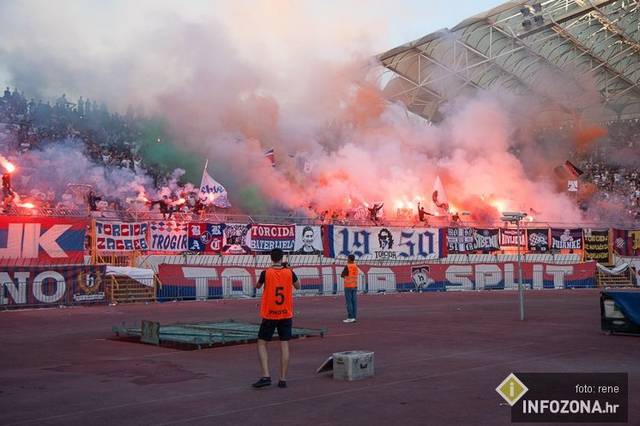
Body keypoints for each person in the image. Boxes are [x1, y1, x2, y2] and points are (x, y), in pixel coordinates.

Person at [253, 248, 301, 389]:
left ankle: (266, 375)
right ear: (282, 257)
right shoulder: (289, 272)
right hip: (285, 313)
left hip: (270, 313)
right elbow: (298, 286)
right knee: (284, 344)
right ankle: (283, 379)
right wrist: (288, 269)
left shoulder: (266, 273)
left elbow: (257, 286)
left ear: (271, 258)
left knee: (262, 343)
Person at [341, 254, 360, 323]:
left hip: (348, 285)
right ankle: (354, 317)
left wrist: (346, 277)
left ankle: (350, 317)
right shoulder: (355, 266)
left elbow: (342, 275)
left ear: (349, 259)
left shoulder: (348, 266)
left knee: (349, 302)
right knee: (354, 302)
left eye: (347, 258)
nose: (347, 259)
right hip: (354, 285)